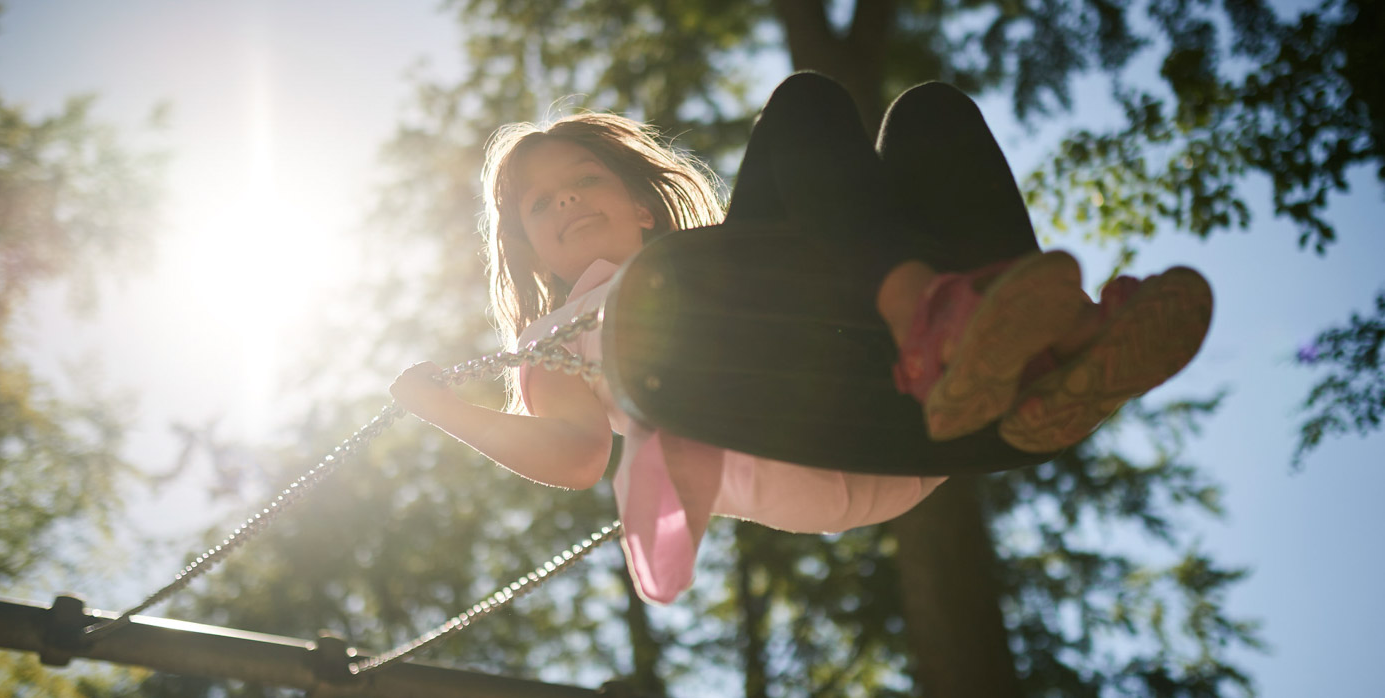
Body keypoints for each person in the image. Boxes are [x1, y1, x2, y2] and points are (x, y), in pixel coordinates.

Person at [389, 73, 1212, 604]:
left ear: (642, 204)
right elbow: (574, 457)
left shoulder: (732, 261)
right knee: (805, 106)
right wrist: (440, 408)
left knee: (929, 112)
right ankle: (941, 326)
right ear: (530, 249)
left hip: (913, 423)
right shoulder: (554, 340)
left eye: (582, 180)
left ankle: (1032, 356)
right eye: (539, 205)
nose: (563, 201)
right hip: (787, 426)